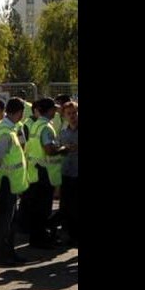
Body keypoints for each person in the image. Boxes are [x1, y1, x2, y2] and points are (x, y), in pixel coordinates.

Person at [0, 98, 32, 266]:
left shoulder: (12, 128)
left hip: (12, 184)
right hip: (6, 184)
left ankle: (8, 253)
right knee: (4, 221)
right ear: (20, 112)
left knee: (10, 221)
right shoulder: (5, 131)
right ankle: (0, 255)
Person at [23, 97, 66, 248]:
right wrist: (64, 149)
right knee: (43, 209)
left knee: (37, 209)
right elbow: (49, 149)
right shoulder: (46, 127)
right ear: (48, 110)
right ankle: (40, 239)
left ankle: (36, 238)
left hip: (35, 170)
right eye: (53, 109)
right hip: (44, 173)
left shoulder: (36, 125)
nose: (55, 111)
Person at [56, 103, 79, 248]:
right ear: (64, 116)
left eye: (74, 113)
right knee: (68, 208)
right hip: (66, 173)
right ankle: (70, 236)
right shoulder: (63, 131)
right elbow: (58, 148)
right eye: (69, 113)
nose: (72, 116)